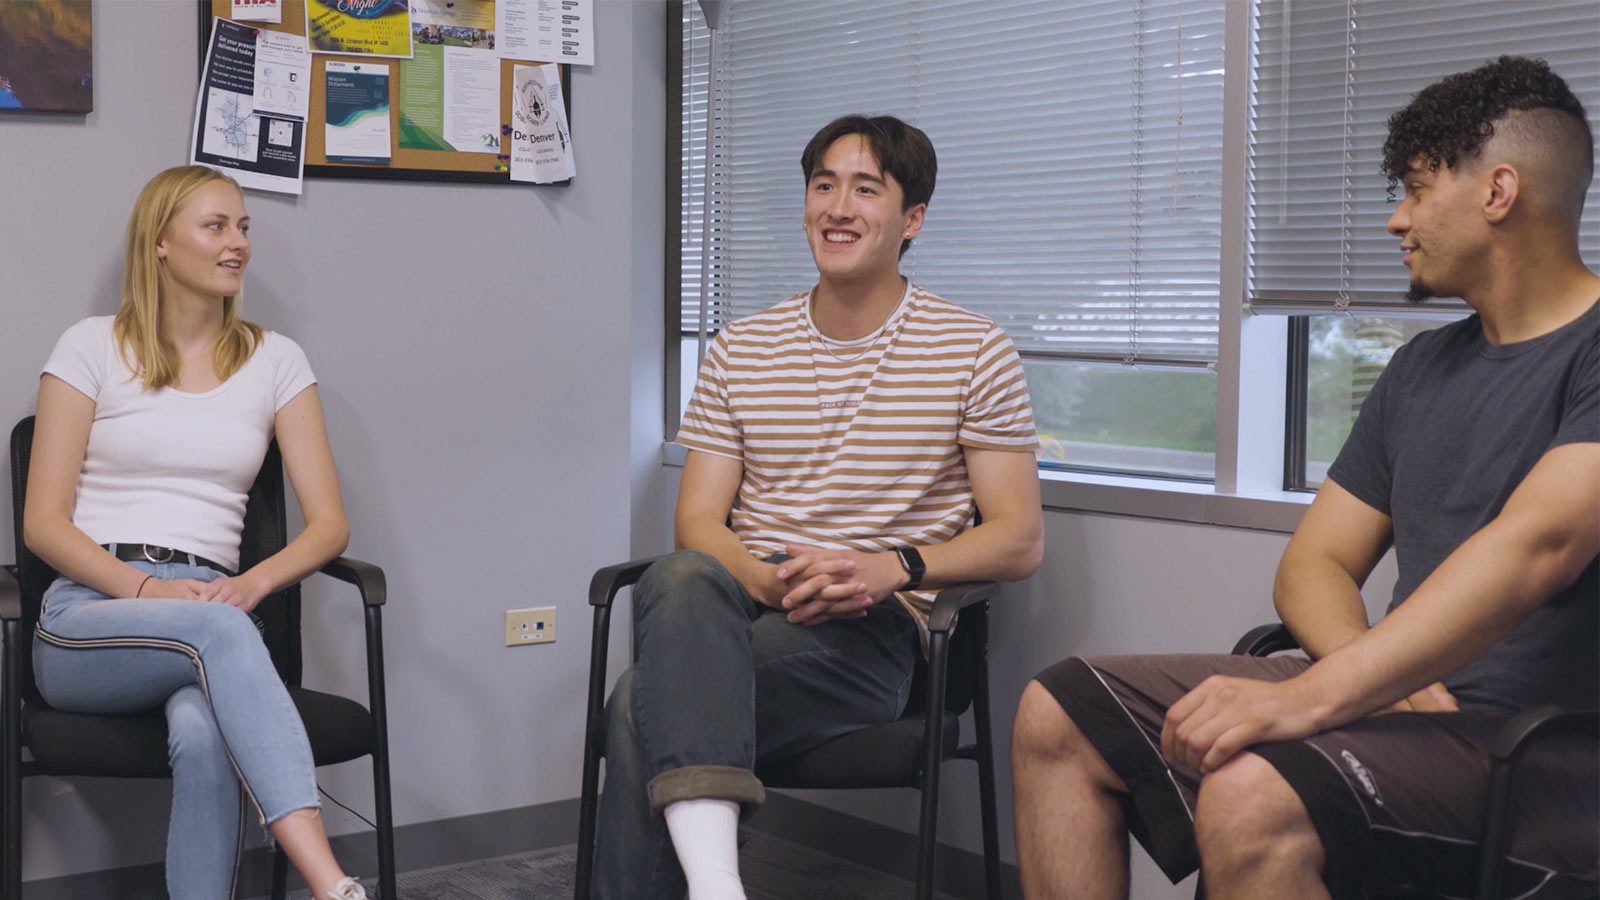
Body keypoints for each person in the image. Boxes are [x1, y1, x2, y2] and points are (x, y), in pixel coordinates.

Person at [1011, 56, 1598, 899]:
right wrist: (1368, 677)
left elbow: (1539, 544)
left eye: (1416, 190)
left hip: (1544, 747)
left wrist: (1320, 697)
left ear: (1499, 193)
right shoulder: (1423, 368)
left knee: (1252, 792)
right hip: (1412, 710)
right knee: (1057, 714)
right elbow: (1314, 566)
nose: (1397, 220)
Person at [593, 114, 1045, 899]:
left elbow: (1019, 539)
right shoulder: (740, 347)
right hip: (746, 603)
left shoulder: (974, 349)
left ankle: (713, 885)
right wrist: (765, 583)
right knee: (680, 573)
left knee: (642, 701)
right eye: (823, 185)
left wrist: (889, 568)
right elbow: (698, 523)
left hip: (873, 631)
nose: (838, 206)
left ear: (911, 221)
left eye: (865, 189)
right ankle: (718, 887)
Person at [24, 165, 368, 900]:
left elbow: (330, 522)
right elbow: (43, 523)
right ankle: (331, 883)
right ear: (160, 243)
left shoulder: (276, 361)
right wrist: (148, 588)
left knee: (208, 732)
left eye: (244, 227)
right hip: (90, 614)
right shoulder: (90, 347)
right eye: (217, 226)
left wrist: (252, 583)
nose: (237, 243)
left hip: (211, 607)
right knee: (223, 638)